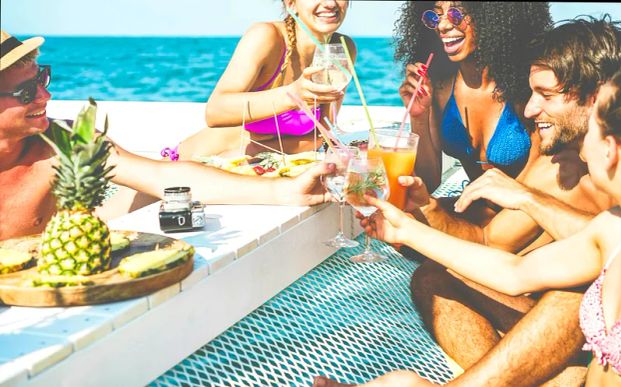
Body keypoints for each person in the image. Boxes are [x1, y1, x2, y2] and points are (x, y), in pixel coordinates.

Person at [321, 60, 621, 386]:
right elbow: (515, 272)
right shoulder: (616, 228)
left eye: (595, 119)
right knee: (399, 382)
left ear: (611, 148)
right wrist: (403, 229)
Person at [363, 16, 621, 386]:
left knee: (576, 294)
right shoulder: (557, 166)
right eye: (531, 94)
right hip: (559, 326)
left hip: (616, 328)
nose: (529, 111)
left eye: (546, 95)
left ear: (597, 95)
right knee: (432, 278)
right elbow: (496, 248)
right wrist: (420, 214)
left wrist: (530, 199)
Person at [0, 30, 333, 241]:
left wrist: (286, 191)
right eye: (27, 92)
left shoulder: (63, 141)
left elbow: (161, 175)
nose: (46, 97)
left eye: (43, 78)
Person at [394, 2, 551, 195]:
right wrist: (418, 116)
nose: (442, 26)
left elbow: (540, 183)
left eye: (456, 14)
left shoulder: (528, 87)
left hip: (524, 212)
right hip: (475, 209)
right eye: (435, 16)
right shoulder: (440, 86)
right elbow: (428, 182)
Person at [175, 0, 356, 160]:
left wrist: (257, 153)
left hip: (250, 167)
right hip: (195, 165)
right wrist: (292, 95)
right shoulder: (266, 36)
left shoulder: (341, 49)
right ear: (291, 3)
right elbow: (215, 112)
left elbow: (320, 134)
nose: (330, 4)